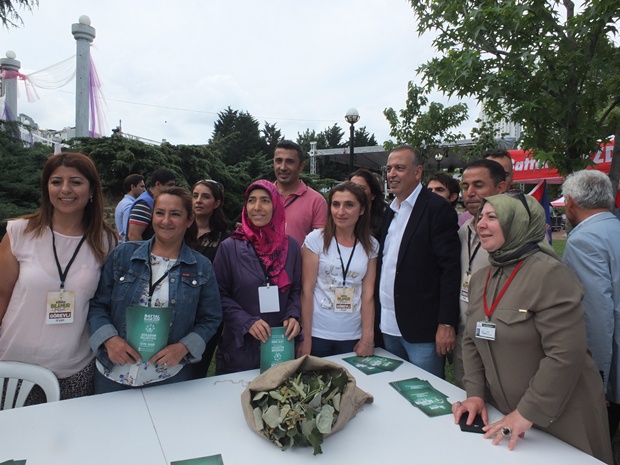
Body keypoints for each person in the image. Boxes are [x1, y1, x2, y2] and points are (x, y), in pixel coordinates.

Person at [454, 193, 612, 464]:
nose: (480, 223)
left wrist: (526, 412)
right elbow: (471, 339)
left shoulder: (550, 274)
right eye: (481, 217)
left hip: (561, 415)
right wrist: (475, 394)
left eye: (492, 217)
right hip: (506, 414)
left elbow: (565, 354)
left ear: (519, 223)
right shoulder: (483, 277)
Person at [0, 152, 117, 402]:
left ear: (92, 190)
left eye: (76, 181)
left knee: (64, 441)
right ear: (47, 188)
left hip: (73, 371)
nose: (65, 189)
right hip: (12, 366)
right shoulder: (20, 232)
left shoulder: (106, 242)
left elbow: (105, 304)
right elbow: (1, 296)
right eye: (56, 182)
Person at [88, 187, 222, 392]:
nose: (165, 221)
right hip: (113, 373)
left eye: (175, 214)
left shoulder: (201, 267)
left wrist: (184, 347)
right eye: (160, 213)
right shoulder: (124, 255)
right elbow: (98, 304)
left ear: (189, 220)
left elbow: (211, 318)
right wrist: (109, 339)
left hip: (167, 376)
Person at [375, 145, 460, 378]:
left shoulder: (437, 209)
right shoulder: (390, 211)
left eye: (400, 168)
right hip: (388, 327)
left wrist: (446, 323)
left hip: (423, 332)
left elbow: (451, 270)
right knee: (395, 392)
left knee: (427, 396)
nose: (392, 174)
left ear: (418, 172)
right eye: (389, 168)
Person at [213, 180, 301, 374]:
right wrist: (246, 321)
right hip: (239, 347)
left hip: (279, 345)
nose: (257, 207)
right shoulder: (229, 247)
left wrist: (293, 315)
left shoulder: (291, 247)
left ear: (276, 205)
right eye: (251, 201)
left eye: (265, 200)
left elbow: (296, 289)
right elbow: (218, 294)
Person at [562, 170, 620, 438]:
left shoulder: (584, 239)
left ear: (571, 202)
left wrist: (596, 378)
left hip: (610, 366)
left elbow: (595, 314)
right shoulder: (614, 229)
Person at [297, 181, 378, 358]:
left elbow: (368, 294)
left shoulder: (371, 245)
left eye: (349, 205)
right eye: (335, 204)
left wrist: (367, 338)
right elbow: (307, 290)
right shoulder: (315, 240)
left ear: (362, 210)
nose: (340, 212)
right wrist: (306, 337)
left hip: (352, 334)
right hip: (318, 332)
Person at [453, 159, 507, 387]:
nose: (470, 193)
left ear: (500, 188)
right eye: (465, 187)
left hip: (502, 341)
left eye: (478, 185)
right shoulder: (464, 230)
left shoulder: (516, 233)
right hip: (465, 336)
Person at [190, 179, 230, 379]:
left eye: (205, 196)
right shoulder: (178, 232)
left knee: (196, 371)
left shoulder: (225, 240)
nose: (198, 201)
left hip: (207, 315)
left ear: (216, 203)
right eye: (195, 195)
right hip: (177, 310)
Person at [273, 140, 327, 244]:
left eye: (290, 162)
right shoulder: (261, 196)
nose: (283, 167)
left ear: (301, 166)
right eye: (279, 161)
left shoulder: (316, 201)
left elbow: (320, 246)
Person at [126, 168, 176, 241]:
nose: (173, 188)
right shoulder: (144, 203)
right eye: (170, 185)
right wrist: (143, 252)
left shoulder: (154, 201)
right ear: (158, 184)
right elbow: (134, 235)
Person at [348, 168, 387, 239]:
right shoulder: (342, 218)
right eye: (351, 187)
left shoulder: (385, 222)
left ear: (373, 195)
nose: (355, 192)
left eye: (361, 188)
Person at [114, 174, 145, 242]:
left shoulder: (122, 203)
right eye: (142, 187)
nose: (144, 190)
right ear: (133, 187)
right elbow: (129, 233)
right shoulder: (130, 205)